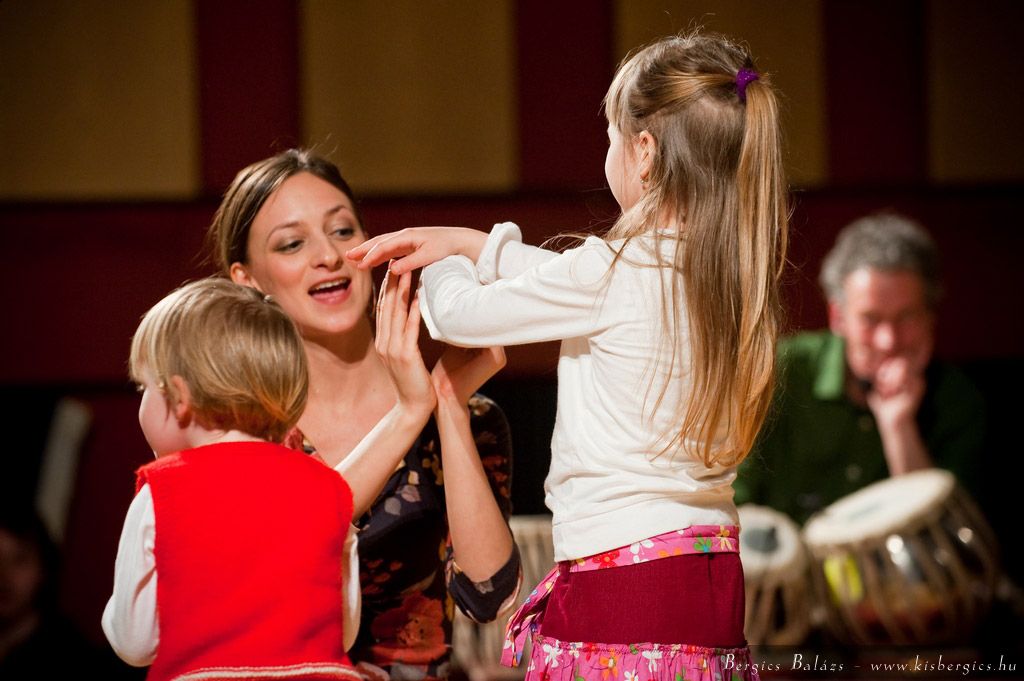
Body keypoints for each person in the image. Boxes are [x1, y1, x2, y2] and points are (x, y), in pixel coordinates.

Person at [347, 30, 787, 681]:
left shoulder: (614, 272)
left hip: (626, 575)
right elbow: (566, 282)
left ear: (643, 153)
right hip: (710, 569)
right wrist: (476, 245)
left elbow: (462, 315)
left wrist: (440, 264)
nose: (606, 150)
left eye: (610, 134)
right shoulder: (723, 280)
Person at [208, 150, 520, 681]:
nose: (327, 255)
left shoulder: (472, 415)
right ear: (247, 278)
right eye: (291, 243)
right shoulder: (237, 426)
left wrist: (443, 402)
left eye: (342, 231)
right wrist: (408, 411)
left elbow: (488, 597)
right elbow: (252, 588)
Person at [103, 277, 364, 680]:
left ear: (180, 397)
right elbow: (343, 632)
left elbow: (135, 642)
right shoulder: (330, 487)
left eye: (144, 387)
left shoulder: (162, 491)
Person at [733, 213, 986, 524]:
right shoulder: (777, 372)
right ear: (838, 317)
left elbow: (944, 541)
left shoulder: (957, 400)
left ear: (929, 318)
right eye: (870, 319)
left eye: (906, 317)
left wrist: (899, 425)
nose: (887, 341)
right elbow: (733, 506)